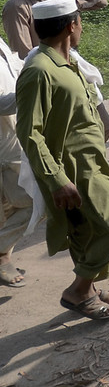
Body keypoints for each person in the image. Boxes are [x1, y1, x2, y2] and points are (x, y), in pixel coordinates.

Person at [16, 0, 109, 319]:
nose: (81, 27)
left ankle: (92, 290)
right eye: (80, 22)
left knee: (86, 231)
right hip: (73, 169)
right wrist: (56, 179)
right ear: (72, 25)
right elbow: (30, 133)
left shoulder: (66, 61)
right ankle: (79, 290)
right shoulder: (39, 71)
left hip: (92, 162)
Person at [3, 0, 109, 140]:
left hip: (74, 67)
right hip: (50, 77)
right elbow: (23, 55)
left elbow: (100, 2)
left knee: (103, 126)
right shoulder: (18, 7)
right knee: (72, 136)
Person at [0, 40, 33, 287]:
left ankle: (4, 257)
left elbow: (12, 67)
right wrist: (32, 88)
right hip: (5, 147)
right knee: (36, 199)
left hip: (13, 138)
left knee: (10, 206)